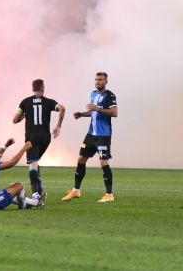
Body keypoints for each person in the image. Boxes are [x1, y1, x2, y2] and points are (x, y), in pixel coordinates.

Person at [63, 71, 118, 203]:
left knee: (103, 162)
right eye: (96, 79)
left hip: (103, 135)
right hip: (91, 134)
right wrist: (82, 114)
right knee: (81, 159)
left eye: (100, 79)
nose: (98, 81)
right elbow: (93, 113)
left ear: (106, 82)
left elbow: (114, 112)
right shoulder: (93, 94)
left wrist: (98, 108)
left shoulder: (109, 95)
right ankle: (76, 190)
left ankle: (109, 194)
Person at [12, 79, 65, 200]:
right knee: (35, 162)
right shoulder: (49, 102)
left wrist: (25, 114)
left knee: (32, 164)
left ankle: (35, 194)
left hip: (32, 138)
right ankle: (40, 190)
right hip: (46, 137)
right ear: (43, 88)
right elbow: (62, 108)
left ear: (32, 88)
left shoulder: (25, 102)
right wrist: (58, 126)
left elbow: (15, 120)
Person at [0, 141, 43, 211]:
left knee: (12, 193)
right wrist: (24, 148)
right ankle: (23, 206)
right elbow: (12, 163)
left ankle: (34, 202)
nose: (1, 155)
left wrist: (6, 146)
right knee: (19, 186)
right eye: (0, 153)